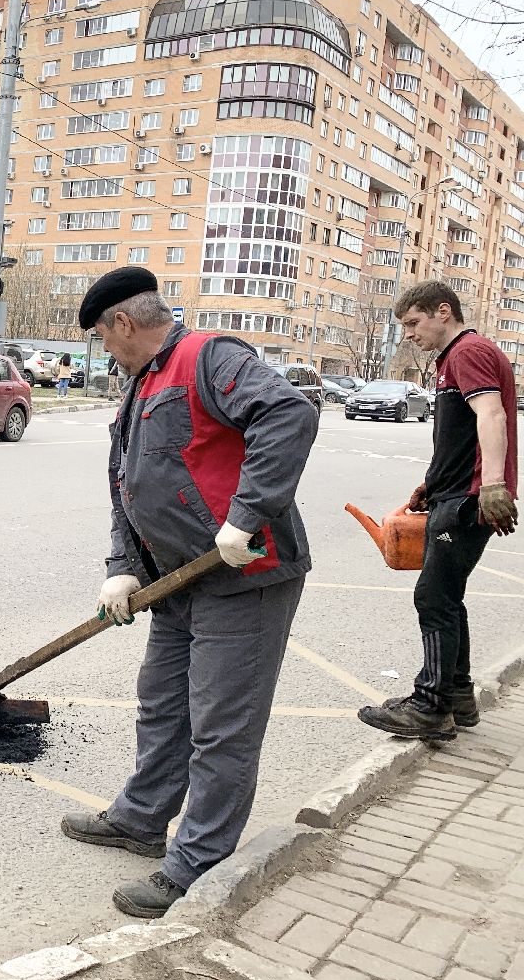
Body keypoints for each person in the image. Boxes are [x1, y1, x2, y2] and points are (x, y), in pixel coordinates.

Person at [58, 266, 318, 919]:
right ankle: (142, 818)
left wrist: (248, 514)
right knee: (163, 704)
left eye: (102, 336)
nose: (104, 350)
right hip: (177, 583)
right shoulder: (139, 384)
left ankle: (197, 864)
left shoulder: (209, 357)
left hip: (244, 574)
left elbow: (288, 415)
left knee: (221, 727)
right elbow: (127, 484)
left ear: (122, 323)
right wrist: (123, 567)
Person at [357, 281, 518, 742]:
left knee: (432, 598)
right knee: (446, 596)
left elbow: (491, 416)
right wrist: (434, 483)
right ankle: (458, 696)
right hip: (455, 494)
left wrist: (490, 486)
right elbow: (463, 435)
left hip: (468, 500)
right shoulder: (456, 358)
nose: (408, 334)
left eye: (412, 322)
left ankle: (431, 705)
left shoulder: (467, 352)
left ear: (442, 312)